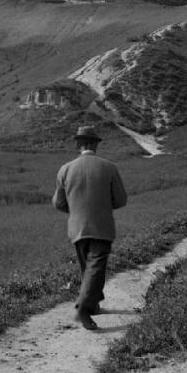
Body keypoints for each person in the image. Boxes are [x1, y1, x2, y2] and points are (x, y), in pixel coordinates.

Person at [52, 125, 127, 330]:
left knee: (88, 267)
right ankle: (83, 308)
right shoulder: (109, 167)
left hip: (76, 228)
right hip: (101, 226)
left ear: (78, 144)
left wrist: (77, 210)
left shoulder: (65, 169)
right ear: (95, 145)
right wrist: (101, 205)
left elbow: (58, 203)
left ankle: (93, 304)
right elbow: (121, 200)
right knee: (96, 267)